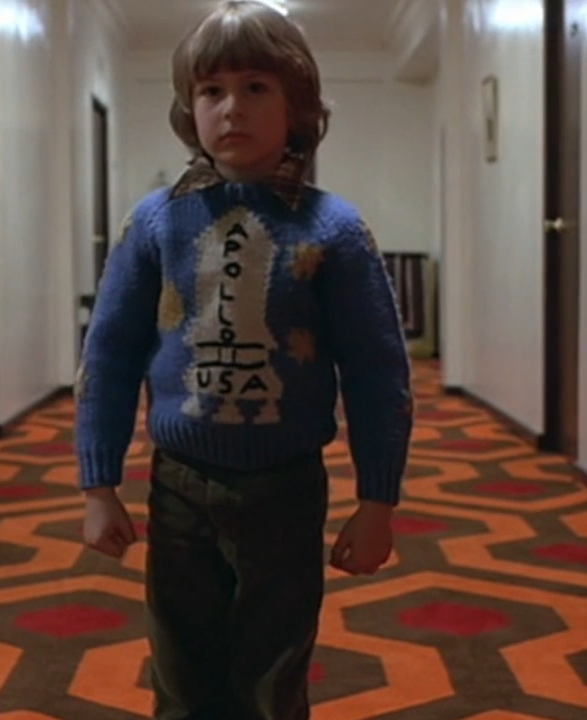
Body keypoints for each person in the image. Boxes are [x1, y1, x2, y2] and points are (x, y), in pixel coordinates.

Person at [75, 2, 413, 717]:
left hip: (287, 486)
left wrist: (377, 502)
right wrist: (98, 485)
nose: (233, 108)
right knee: (181, 664)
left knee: (274, 668)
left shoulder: (335, 230)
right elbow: (109, 354)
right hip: (179, 484)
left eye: (257, 87)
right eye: (212, 90)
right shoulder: (154, 223)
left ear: (298, 107)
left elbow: (378, 372)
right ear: (188, 108)